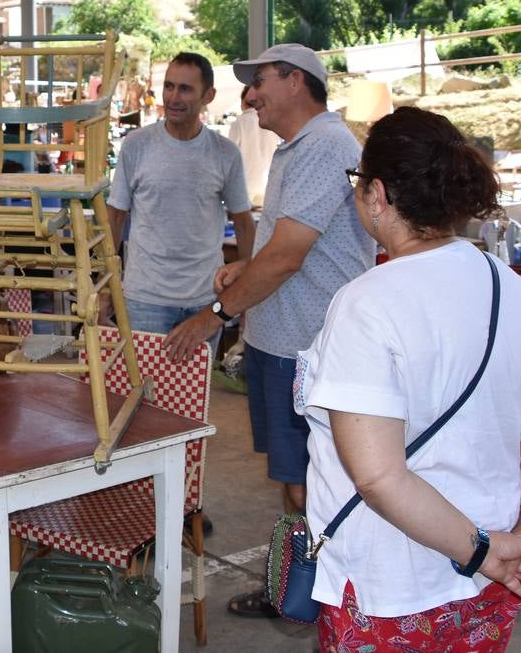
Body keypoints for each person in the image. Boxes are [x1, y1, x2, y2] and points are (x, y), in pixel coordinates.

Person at [296, 106, 521, 648]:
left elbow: (378, 477)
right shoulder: (507, 286)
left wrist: (484, 551)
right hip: (494, 571)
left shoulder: (366, 304)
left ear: (377, 194)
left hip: (393, 585)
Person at [164, 43, 375, 619]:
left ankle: (318, 598)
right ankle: (297, 588)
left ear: (294, 81)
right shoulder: (294, 149)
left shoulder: (326, 146)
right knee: (295, 479)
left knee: (315, 485)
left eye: (258, 83)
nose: (250, 96)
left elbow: (286, 258)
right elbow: (281, 251)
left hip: (304, 348)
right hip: (279, 342)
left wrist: (218, 313)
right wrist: (244, 272)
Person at [106, 52, 254, 347]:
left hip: (205, 300)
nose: (174, 97)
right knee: (143, 391)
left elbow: (244, 224)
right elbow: (115, 217)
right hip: (144, 298)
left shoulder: (225, 153)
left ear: (207, 95)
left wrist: (247, 296)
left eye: (185, 89)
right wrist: (106, 285)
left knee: (196, 393)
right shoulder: (136, 145)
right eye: (169, 86)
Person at [226, 85, 280, 208]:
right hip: (267, 185)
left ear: (243, 101)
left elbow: (229, 156)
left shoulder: (239, 123)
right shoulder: (271, 123)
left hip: (245, 185)